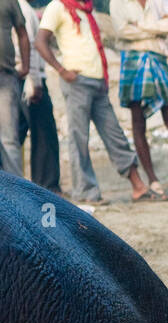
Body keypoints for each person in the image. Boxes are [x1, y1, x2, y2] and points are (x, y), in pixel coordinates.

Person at [36, 0, 151, 203]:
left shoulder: (86, 10)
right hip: (77, 80)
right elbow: (40, 41)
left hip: (98, 81)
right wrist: (62, 70)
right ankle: (86, 191)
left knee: (115, 133)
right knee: (79, 137)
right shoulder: (58, 6)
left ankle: (138, 185)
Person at [109, 0, 168, 199]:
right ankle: (152, 179)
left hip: (157, 57)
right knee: (138, 121)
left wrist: (141, 27)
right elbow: (122, 31)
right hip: (133, 57)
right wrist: (157, 30)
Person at [16, 0, 57, 191]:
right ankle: (45, 185)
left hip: (27, 77)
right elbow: (28, 47)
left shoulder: (24, 7)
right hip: (29, 79)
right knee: (42, 134)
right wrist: (35, 80)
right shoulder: (21, 8)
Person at [0, 0, 29, 175]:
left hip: (5, 75)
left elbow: (22, 33)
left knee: (9, 139)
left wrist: (26, 66)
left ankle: (17, 196)